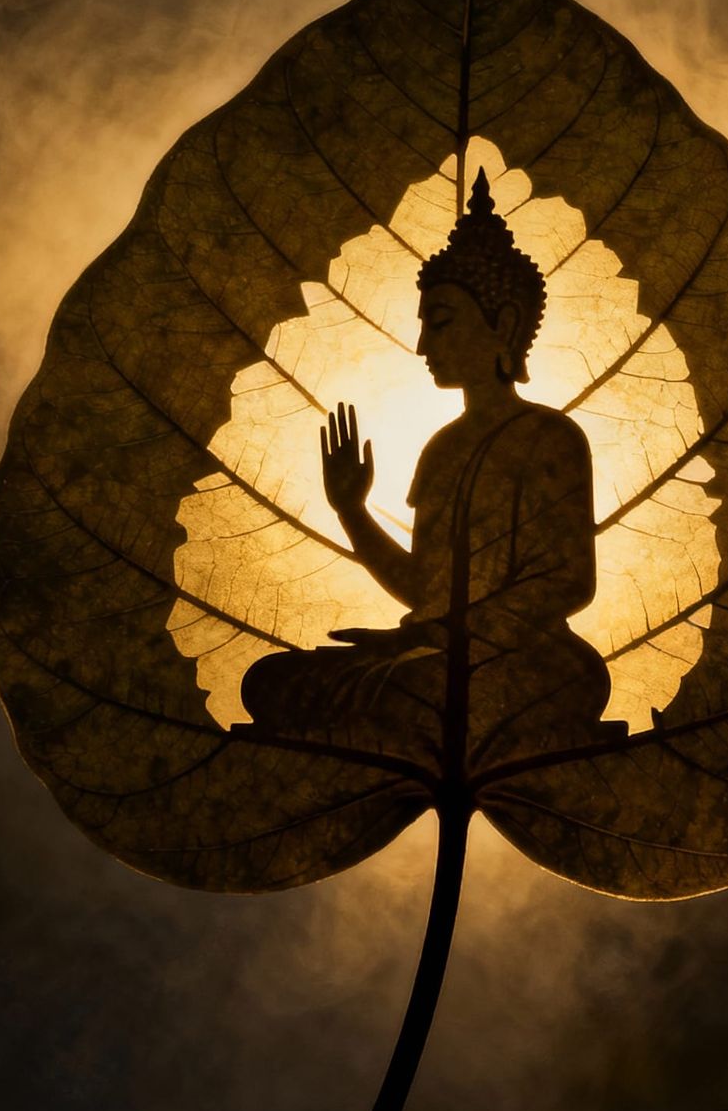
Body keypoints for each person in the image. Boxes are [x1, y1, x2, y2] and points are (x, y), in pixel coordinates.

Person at [240, 169, 614, 771]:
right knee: (270, 681)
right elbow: (425, 589)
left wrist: (440, 637)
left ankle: (415, 679)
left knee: (426, 690)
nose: (421, 345)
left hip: (525, 662)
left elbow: (568, 584)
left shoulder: (550, 437)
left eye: (439, 322)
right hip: (427, 660)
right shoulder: (442, 449)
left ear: (506, 325)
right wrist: (352, 510)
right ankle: (406, 677)